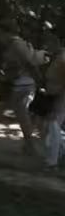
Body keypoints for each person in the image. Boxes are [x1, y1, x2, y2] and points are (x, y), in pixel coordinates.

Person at [0, 22, 44, 156]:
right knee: (3, 112)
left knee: (13, 113)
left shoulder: (17, 44)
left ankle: (30, 146)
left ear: (6, 32)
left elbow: (29, 63)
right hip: (13, 84)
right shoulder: (11, 45)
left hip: (20, 85)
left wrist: (37, 80)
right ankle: (29, 146)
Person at [37, 33, 64, 172]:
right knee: (48, 125)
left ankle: (52, 162)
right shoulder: (55, 58)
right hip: (51, 95)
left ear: (56, 44)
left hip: (59, 97)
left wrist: (59, 99)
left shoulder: (62, 59)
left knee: (53, 126)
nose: (47, 47)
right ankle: (55, 156)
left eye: (50, 44)